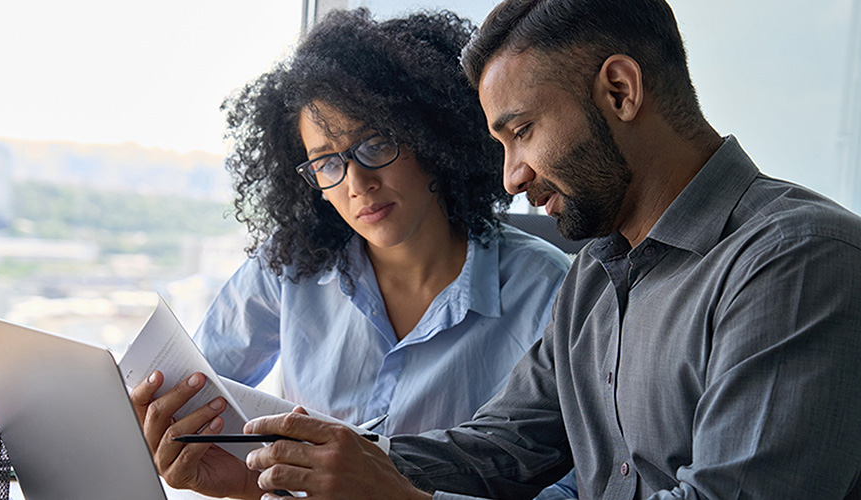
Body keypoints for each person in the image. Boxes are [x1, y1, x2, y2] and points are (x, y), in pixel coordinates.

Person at [134, 0, 861, 498]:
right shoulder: (599, 277)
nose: (511, 176)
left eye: (521, 132)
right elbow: (497, 449)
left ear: (619, 89)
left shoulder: (798, 260)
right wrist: (284, 470)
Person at [133, 7, 577, 500]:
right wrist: (175, 441)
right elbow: (199, 392)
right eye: (326, 162)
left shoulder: (549, 291)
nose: (358, 183)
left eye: (376, 144)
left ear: (432, 138)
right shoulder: (289, 268)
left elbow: (575, 488)